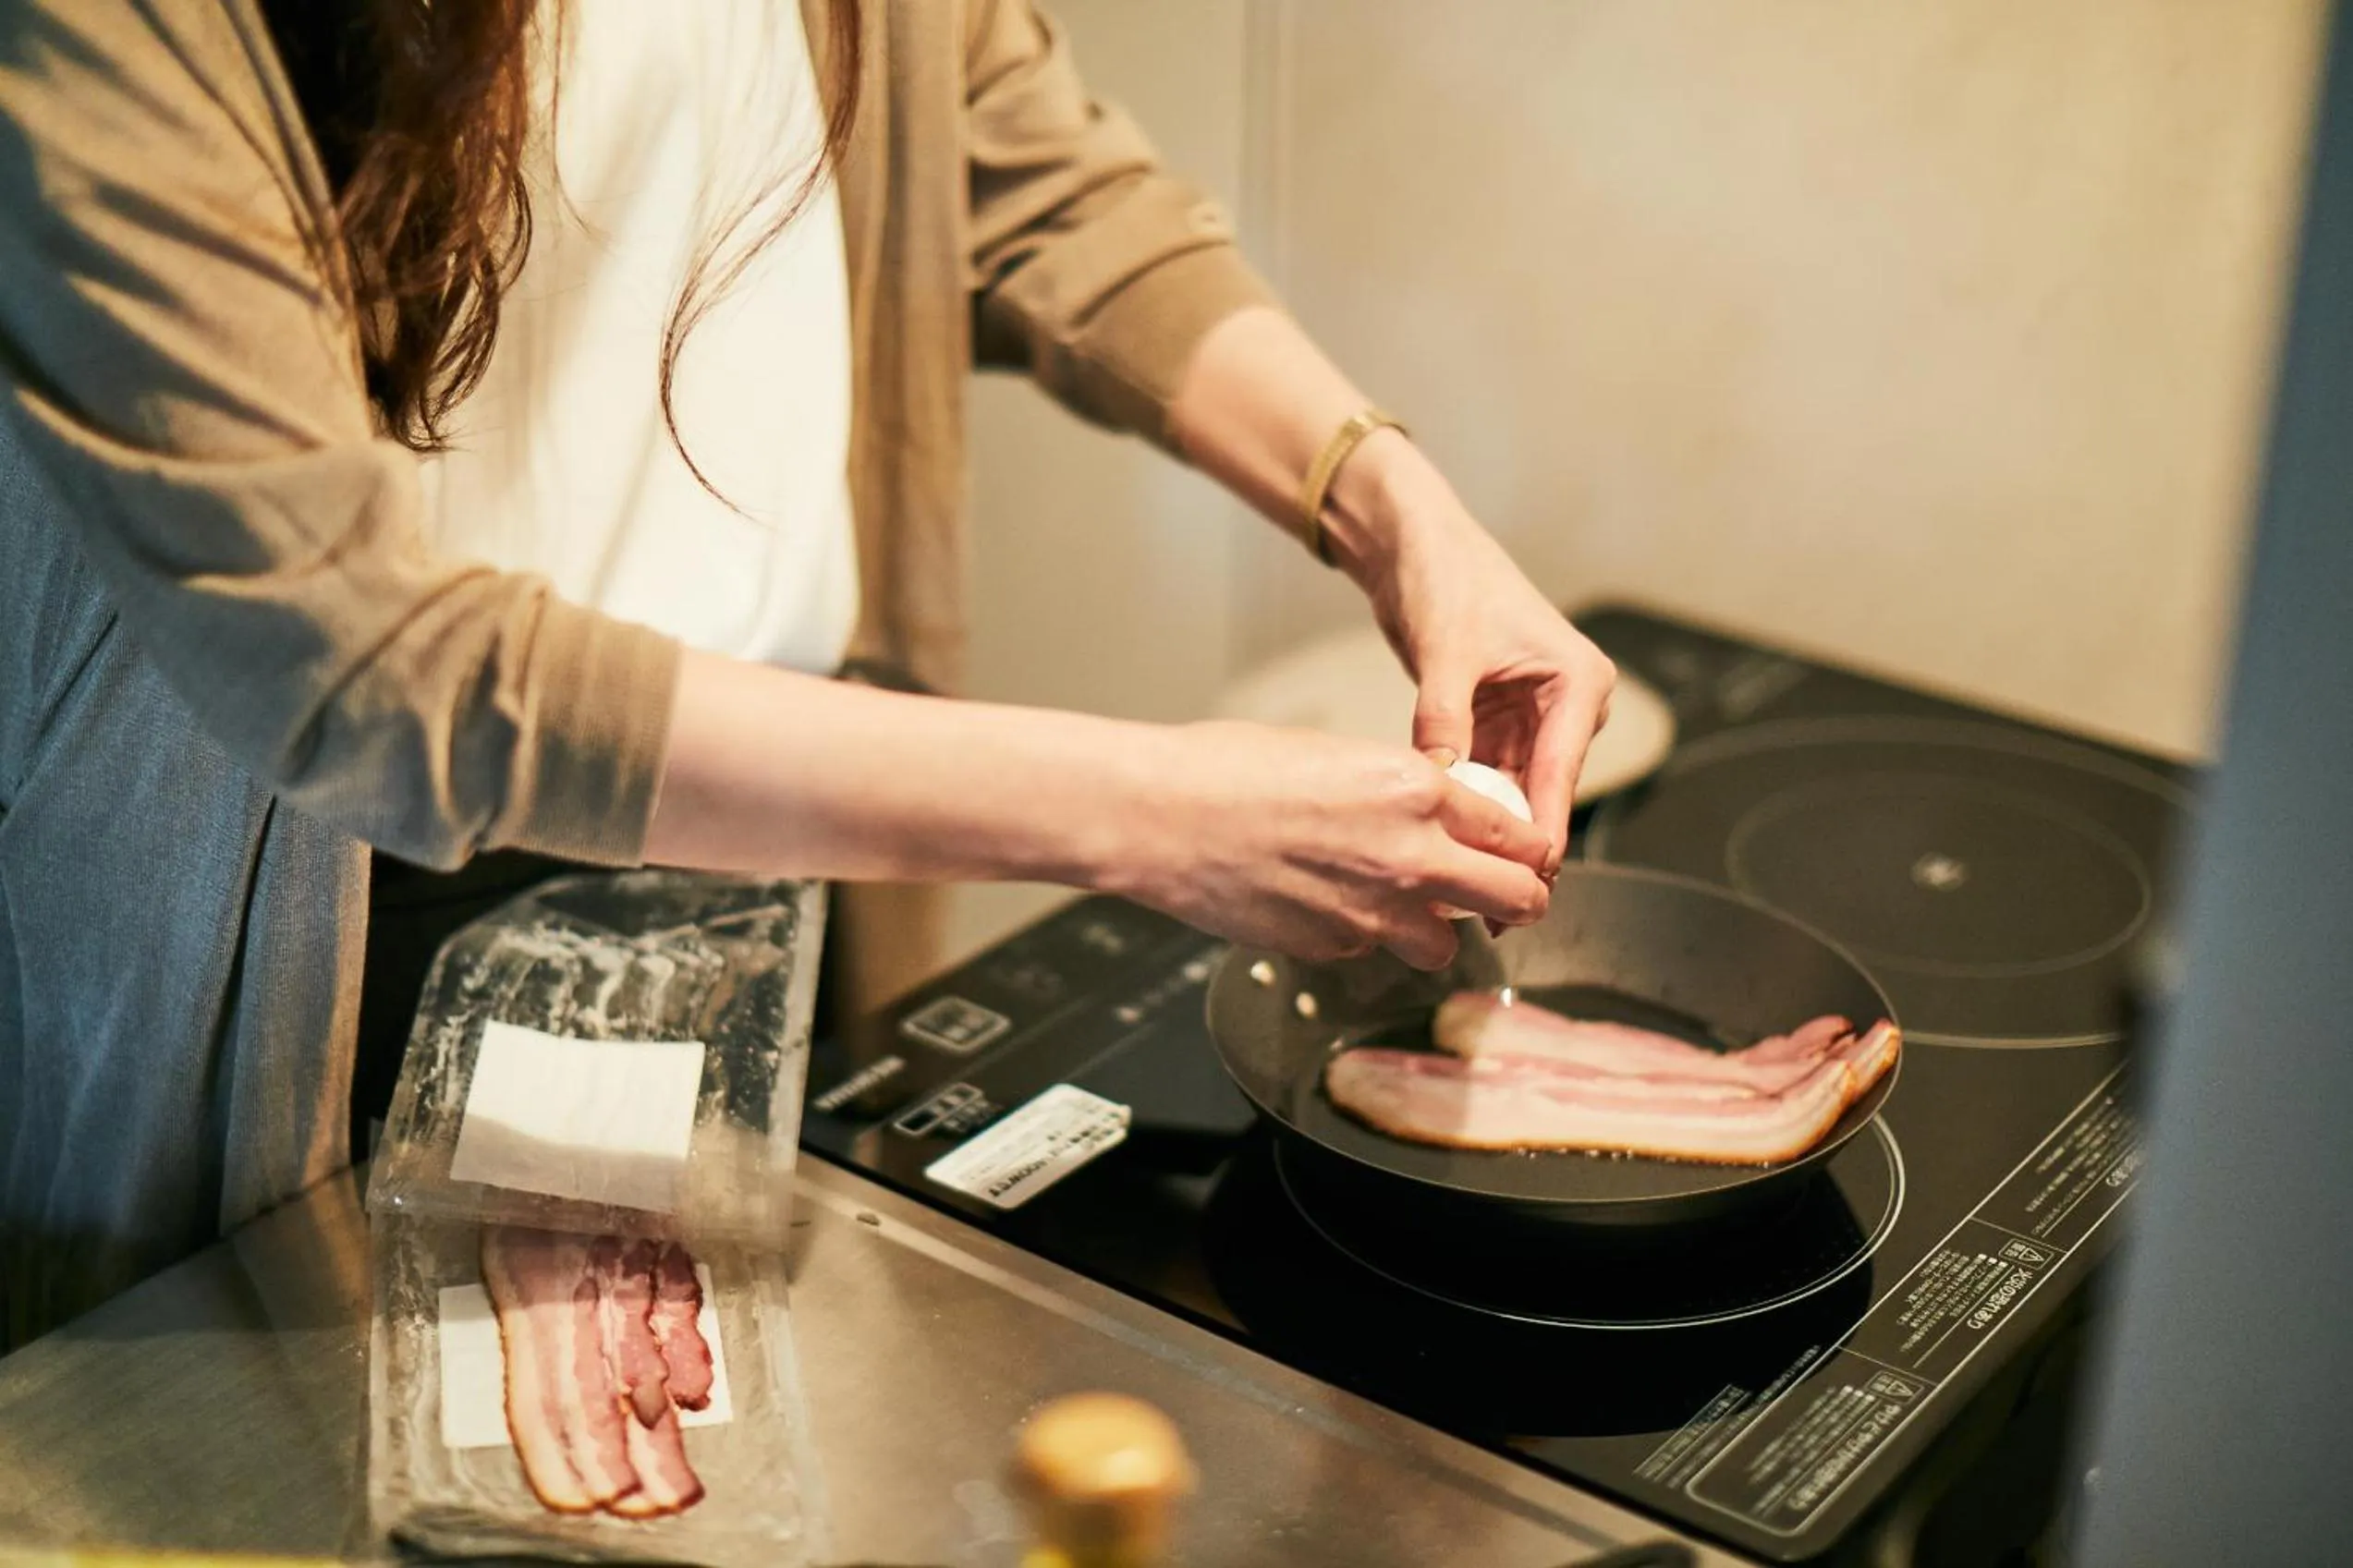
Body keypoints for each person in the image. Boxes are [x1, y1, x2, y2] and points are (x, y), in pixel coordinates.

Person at [0, 0, 1615, 1347]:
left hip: (792, 825)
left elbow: (1018, 166)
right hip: (346, 927)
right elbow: (362, 666)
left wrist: (1394, 508)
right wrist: (1141, 811)